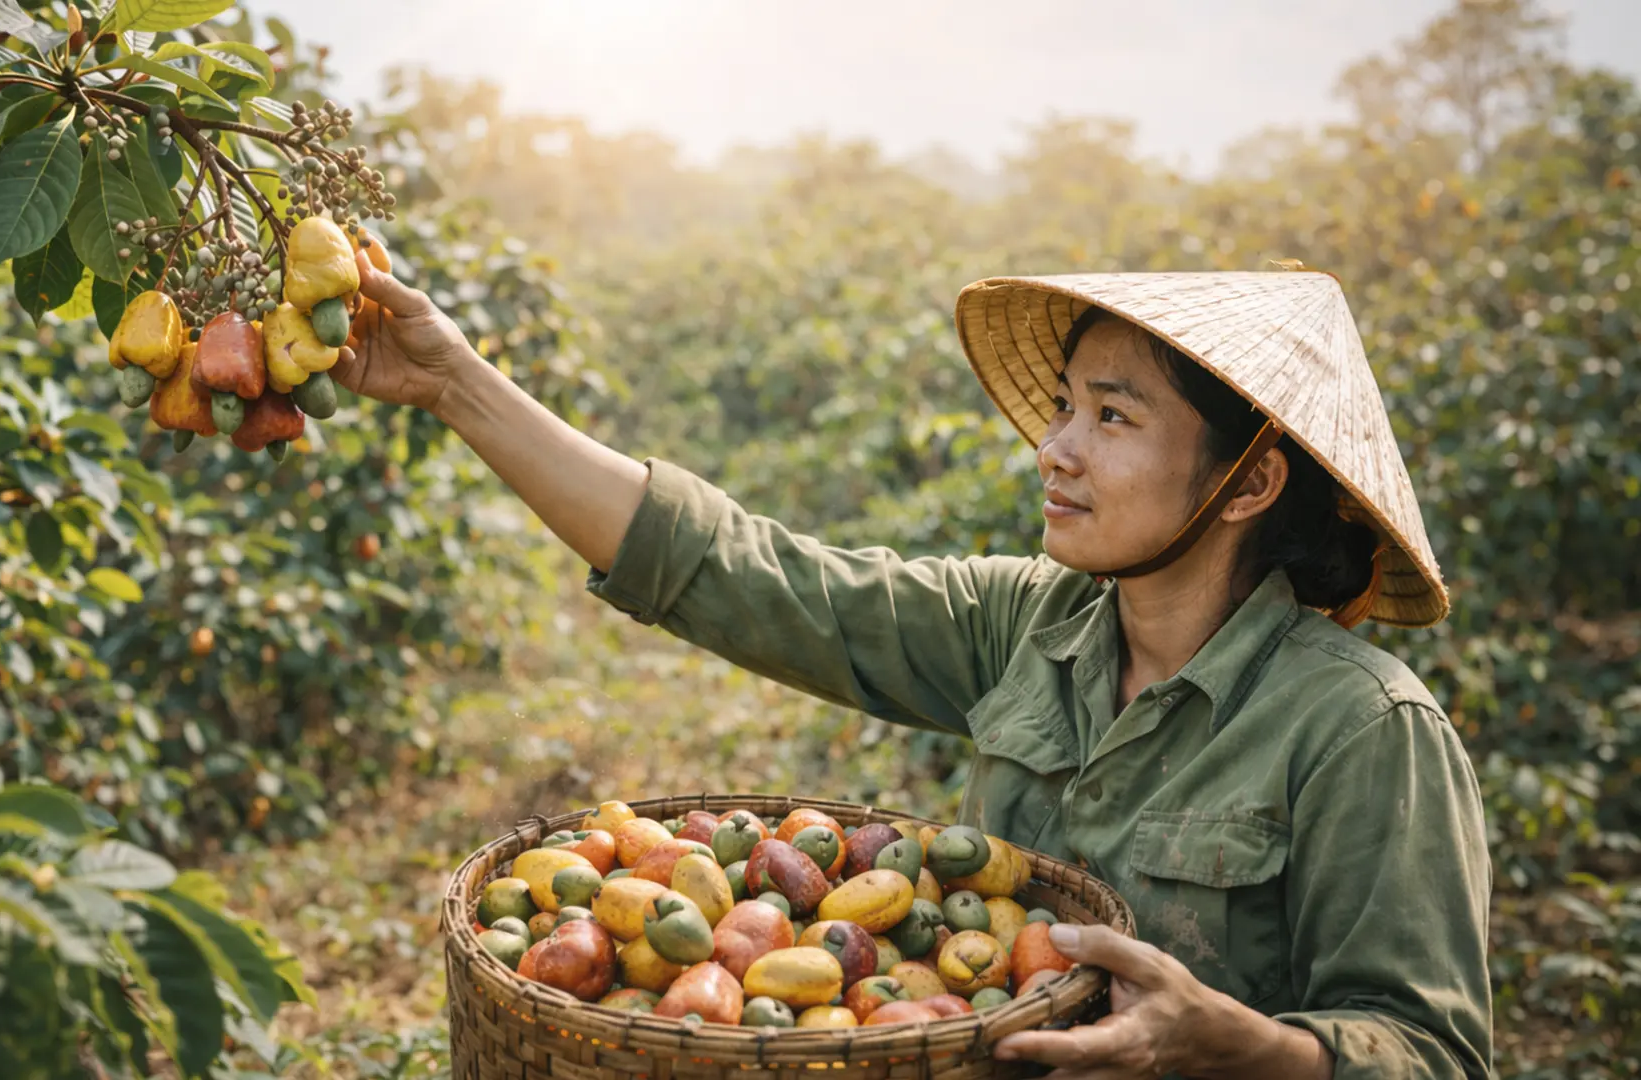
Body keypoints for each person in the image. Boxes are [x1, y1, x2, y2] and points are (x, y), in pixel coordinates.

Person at [332, 264, 1491, 1080]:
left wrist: (1237, 1046)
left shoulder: (1362, 729)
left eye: (1114, 418)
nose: (1057, 449)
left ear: (1248, 485)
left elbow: (1433, 1054)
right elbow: (749, 576)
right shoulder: (1021, 627)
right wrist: (454, 384)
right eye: (1064, 408)